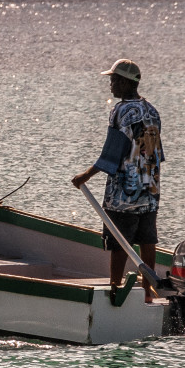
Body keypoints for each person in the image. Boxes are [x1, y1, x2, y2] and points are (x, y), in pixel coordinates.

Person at [71, 59, 164, 302]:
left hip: (124, 192)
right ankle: (148, 293)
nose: (111, 84)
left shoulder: (121, 111)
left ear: (125, 82)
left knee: (119, 240)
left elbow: (112, 154)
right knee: (147, 239)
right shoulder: (152, 110)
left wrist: (85, 176)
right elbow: (157, 154)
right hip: (150, 188)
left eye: (113, 80)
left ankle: (115, 290)